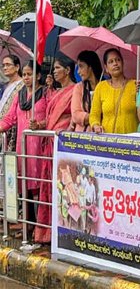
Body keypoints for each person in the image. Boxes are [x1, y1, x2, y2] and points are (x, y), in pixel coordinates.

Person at [0, 60, 47, 233]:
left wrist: (41, 124)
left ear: (38, 76)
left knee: (37, 184)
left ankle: (39, 227)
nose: (26, 78)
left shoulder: (45, 93)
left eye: (30, 74)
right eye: (25, 74)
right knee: (23, 183)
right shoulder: (19, 96)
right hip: (22, 146)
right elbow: (10, 118)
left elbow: (52, 117)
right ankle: (27, 225)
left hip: (38, 147)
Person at [35, 57, 76, 243]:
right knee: (48, 187)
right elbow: (51, 119)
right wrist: (39, 124)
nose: (54, 71)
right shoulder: (56, 92)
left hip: (63, 146)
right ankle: (46, 233)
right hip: (49, 145)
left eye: (58, 68)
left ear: (68, 70)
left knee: (64, 189)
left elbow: (71, 118)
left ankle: (63, 234)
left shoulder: (75, 90)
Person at [89, 49, 139, 134]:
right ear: (106, 68)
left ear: (123, 63)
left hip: (131, 140)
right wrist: (96, 125)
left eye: (118, 60)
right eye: (111, 62)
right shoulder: (101, 87)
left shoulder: (134, 85)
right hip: (108, 141)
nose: (115, 63)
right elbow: (94, 115)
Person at [70, 51, 102, 132]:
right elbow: (76, 115)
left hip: (101, 134)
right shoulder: (79, 87)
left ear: (90, 67)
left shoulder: (105, 86)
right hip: (82, 137)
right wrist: (95, 117)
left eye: (81, 66)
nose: (78, 72)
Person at [0, 55, 24, 151]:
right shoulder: (5, 86)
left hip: (12, 128)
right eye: (3, 65)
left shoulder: (22, 85)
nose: (5, 68)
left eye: (8, 65)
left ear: (17, 67)